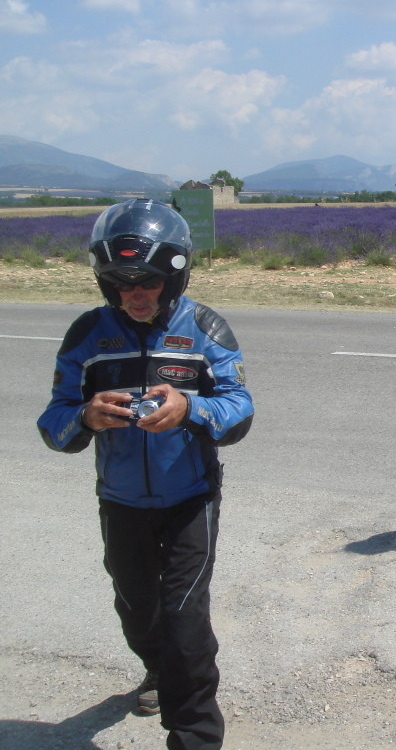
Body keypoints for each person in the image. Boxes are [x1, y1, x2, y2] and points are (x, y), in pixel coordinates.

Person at [38, 199, 254, 750]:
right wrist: (84, 416)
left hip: (191, 497)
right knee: (136, 606)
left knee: (185, 620)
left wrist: (192, 409)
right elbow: (53, 418)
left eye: (149, 283)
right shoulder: (88, 333)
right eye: (121, 284)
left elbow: (239, 405)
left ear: (175, 276)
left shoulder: (205, 328)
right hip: (121, 499)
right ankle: (157, 669)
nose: (136, 295)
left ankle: (193, 734)